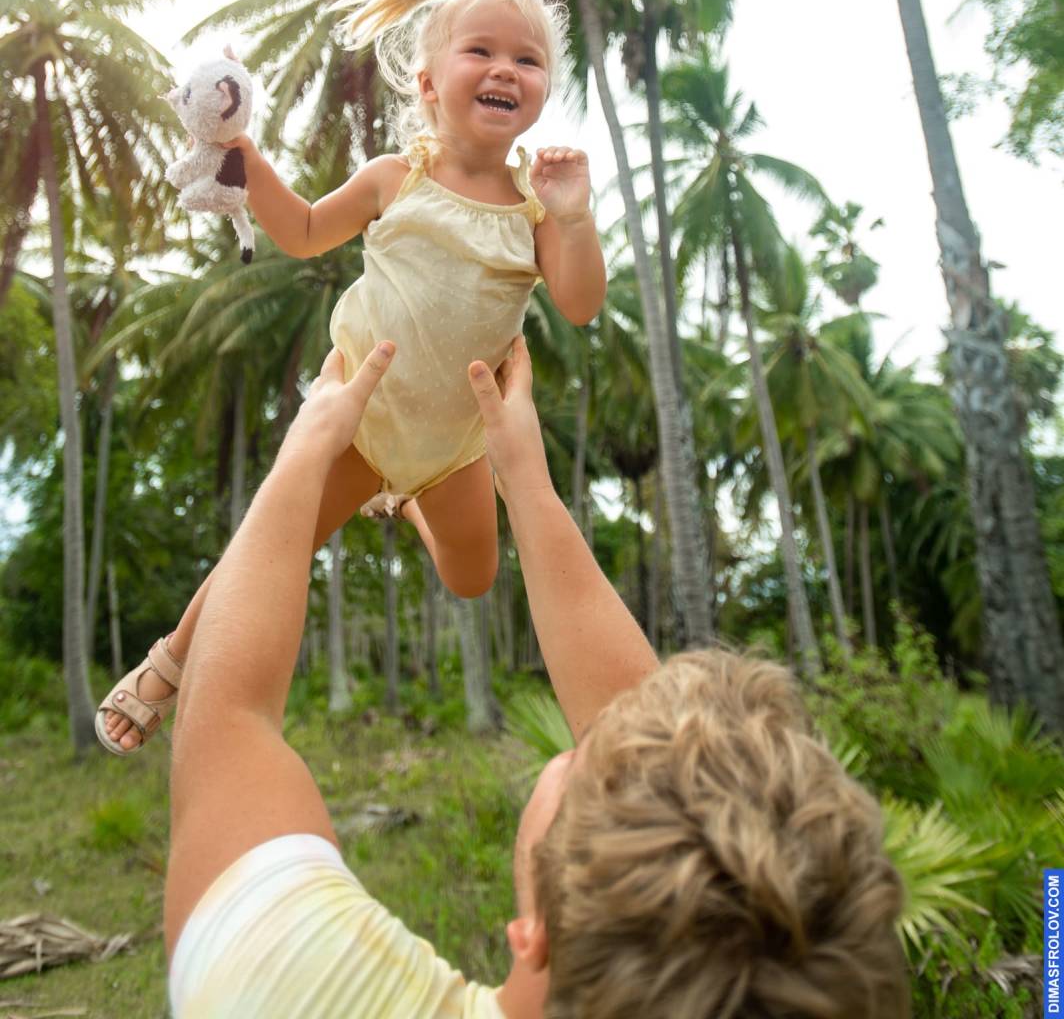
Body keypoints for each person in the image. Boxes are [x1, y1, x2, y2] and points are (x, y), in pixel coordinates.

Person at [164, 335, 910, 1018]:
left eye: (588, 774)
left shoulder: (288, 990)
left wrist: (308, 447)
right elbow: (640, 720)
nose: (598, 742)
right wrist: (526, 480)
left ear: (536, 938)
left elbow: (226, 720)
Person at [97, 0, 607, 755]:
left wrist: (574, 219)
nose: (506, 68)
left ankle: (403, 501)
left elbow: (579, 304)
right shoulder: (394, 179)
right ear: (429, 83)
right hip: (359, 421)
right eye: (481, 51)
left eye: (528, 59)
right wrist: (245, 157)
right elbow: (303, 232)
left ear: (541, 90)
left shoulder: (537, 212)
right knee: (275, 542)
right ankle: (168, 659)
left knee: (472, 576)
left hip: (454, 444)